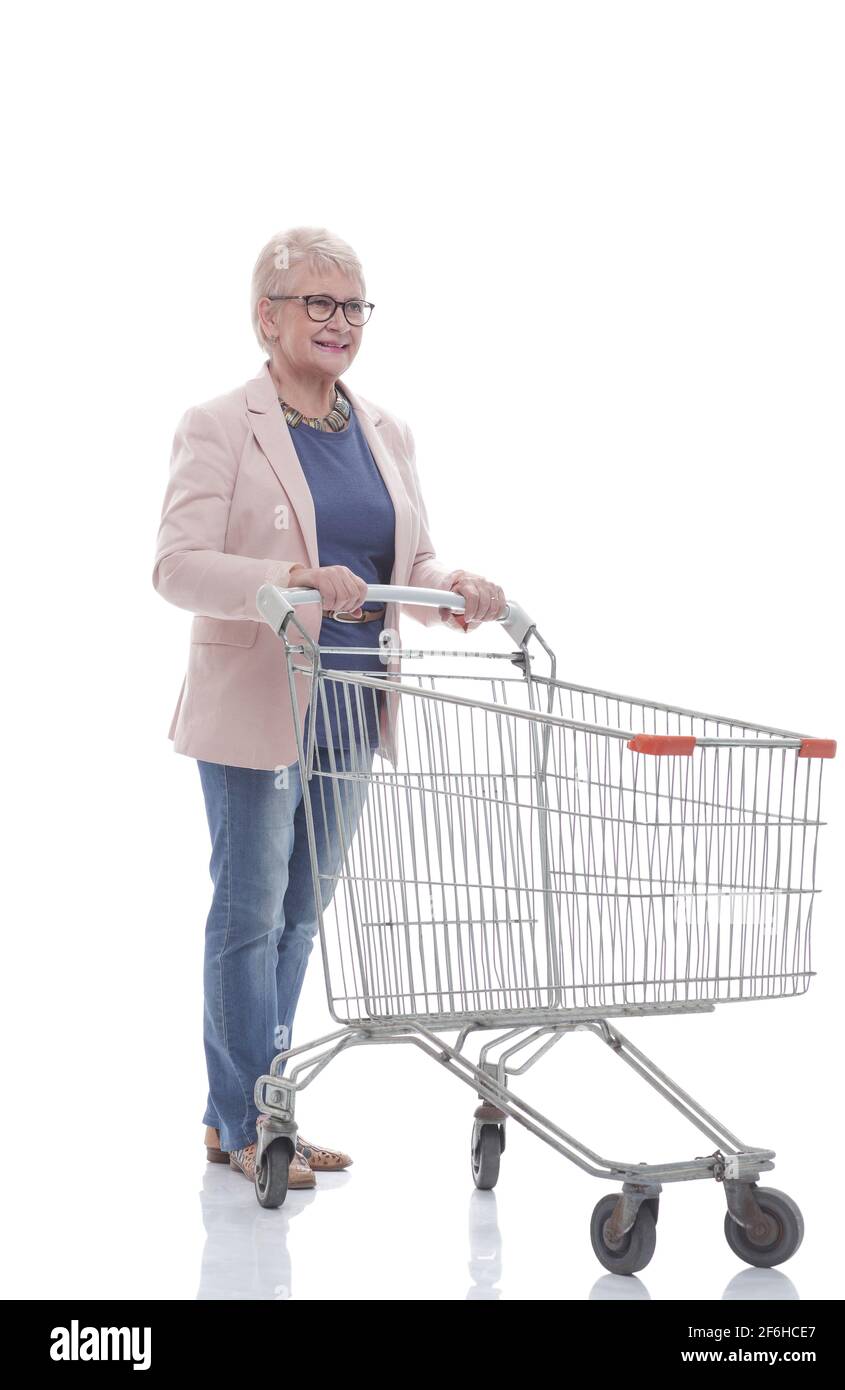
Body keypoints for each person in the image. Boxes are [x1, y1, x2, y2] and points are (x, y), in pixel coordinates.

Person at [153, 225, 505, 1189]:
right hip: (258, 704)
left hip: (355, 705)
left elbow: (409, 564)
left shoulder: (385, 430)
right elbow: (177, 567)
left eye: (353, 306)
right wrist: (293, 578)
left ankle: (262, 1109)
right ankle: (243, 1121)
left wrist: (453, 586)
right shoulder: (220, 423)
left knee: (301, 915)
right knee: (250, 914)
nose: (339, 322)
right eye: (317, 302)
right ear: (265, 317)